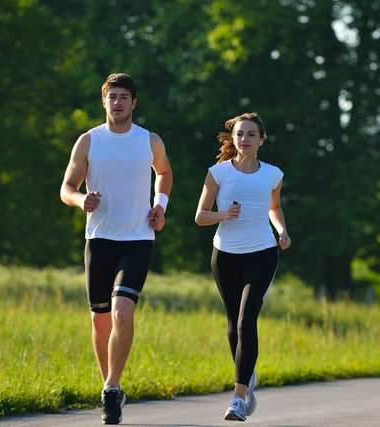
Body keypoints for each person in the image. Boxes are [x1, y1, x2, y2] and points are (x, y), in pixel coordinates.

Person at [60, 73, 173, 425]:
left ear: (134, 102)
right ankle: (110, 386)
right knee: (100, 319)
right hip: (99, 239)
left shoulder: (149, 140)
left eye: (124, 97)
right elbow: (66, 187)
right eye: (112, 97)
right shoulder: (89, 141)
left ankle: (111, 388)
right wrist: (82, 200)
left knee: (123, 311)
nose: (118, 102)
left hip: (138, 239)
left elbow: (165, 173)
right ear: (104, 101)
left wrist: (160, 206)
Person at [195, 112, 291, 421]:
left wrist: (281, 231)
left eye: (251, 134)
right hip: (225, 255)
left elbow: (274, 207)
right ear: (233, 139)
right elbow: (200, 216)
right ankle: (247, 373)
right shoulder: (218, 173)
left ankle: (238, 397)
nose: (245, 139)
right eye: (240, 134)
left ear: (261, 139)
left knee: (246, 319)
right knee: (233, 323)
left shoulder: (273, 174)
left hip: (262, 252)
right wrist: (223, 215)